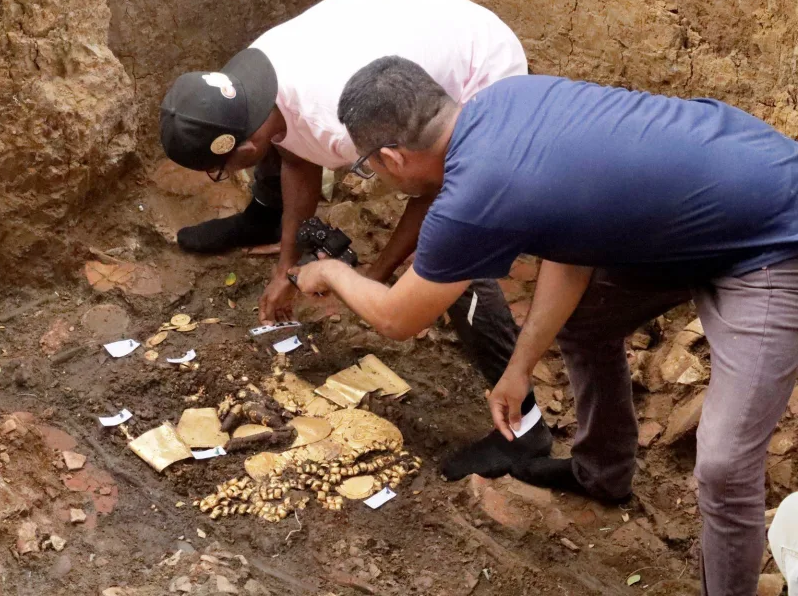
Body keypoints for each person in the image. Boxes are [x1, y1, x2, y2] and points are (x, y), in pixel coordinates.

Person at [292, 55, 798, 596]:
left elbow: (397, 317)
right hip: (710, 204)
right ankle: (602, 473)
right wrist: (518, 369)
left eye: (369, 166)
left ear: (392, 157)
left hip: (776, 240)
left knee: (723, 468)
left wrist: (330, 270)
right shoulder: (506, 101)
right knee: (585, 321)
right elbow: (573, 245)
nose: (375, 176)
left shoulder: (473, 195)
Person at [160, 0, 553, 479]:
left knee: (457, 247)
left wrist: (374, 276)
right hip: (417, 39)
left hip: (478, 70)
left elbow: (430, 191)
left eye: (221, 170)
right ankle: (261, 218)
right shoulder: (254, 86)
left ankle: (525, 431)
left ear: (244, 146)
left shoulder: (336, 119)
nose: (220, 179)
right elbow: (298, 158)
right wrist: (287, 265)